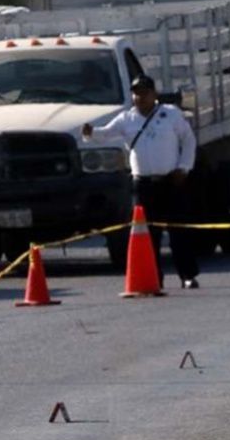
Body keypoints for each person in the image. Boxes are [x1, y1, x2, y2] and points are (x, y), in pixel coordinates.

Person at [82, 74, 199, 288]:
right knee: (147, 234)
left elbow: (188, 140)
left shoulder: (170, 114)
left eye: (145, 93)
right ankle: (154, 277)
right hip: (143, 185)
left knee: (179, 231)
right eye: (136, 93)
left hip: (170, 181)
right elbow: (105, 134)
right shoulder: (126, 119)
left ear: (154, 94)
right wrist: (90, 133)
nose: (141, 97)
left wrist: (184, 168)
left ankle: (187, 275)